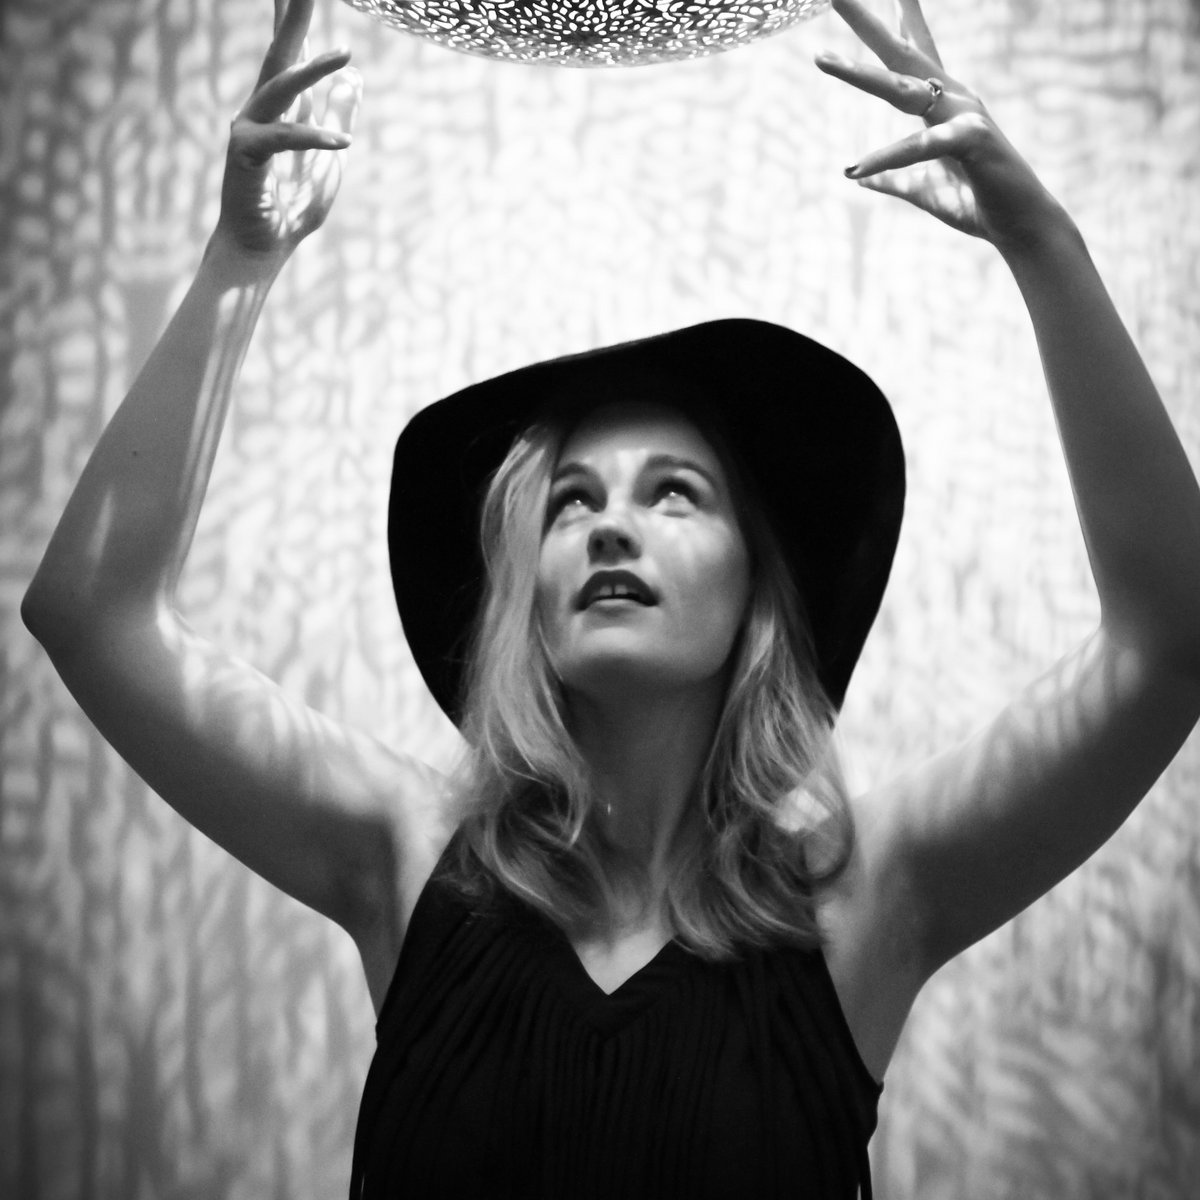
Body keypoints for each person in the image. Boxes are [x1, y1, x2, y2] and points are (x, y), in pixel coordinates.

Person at [20, 0, 1200, 1196]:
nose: (610, 525)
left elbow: (1174, 642)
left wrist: (1042, 243)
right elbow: (91, 614)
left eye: (674, 493)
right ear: (522, 597)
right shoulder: (407, 856)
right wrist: (239, 263)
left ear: (756, 590)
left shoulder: (863, 900)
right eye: (570, 501)